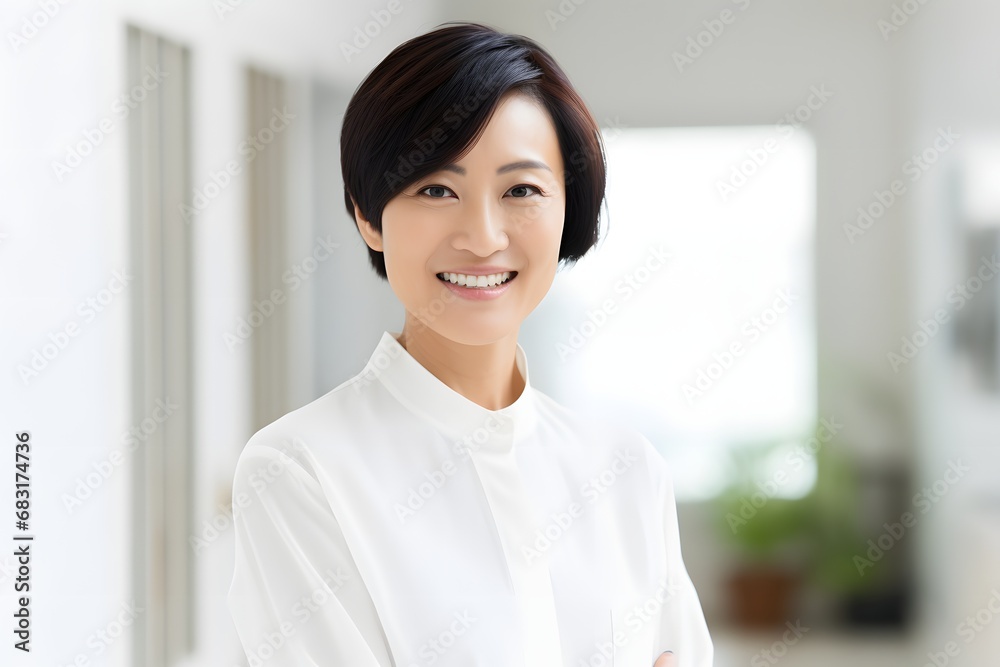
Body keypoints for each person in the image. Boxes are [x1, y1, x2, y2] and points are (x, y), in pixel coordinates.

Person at [227, 21, 713, 667]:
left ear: (568, 207)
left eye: (521, 190)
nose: (483, 237)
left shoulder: (628, 471)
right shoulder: (299, 471)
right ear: (368, 214)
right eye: (435, 189)